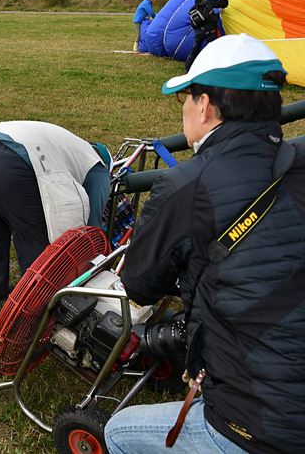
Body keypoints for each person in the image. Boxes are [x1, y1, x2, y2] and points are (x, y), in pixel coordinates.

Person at [104, 34, 305, 453]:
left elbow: (140, 283)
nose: (184, 109)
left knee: (118, 432)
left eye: (186, 98)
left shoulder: (184, 185)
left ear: (206, 106)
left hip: (263, 428)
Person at [0, 121, 112, 312]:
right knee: (33, 238)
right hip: (4, 162)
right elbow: (91, 229)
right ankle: (35, 311)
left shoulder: (66, 143)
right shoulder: (97, 166)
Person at [184, 0, 229, 71]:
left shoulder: (193, 10)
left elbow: (193, 25)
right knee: (214, 49)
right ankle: (213, 67)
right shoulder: (209, 3)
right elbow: (224, 3)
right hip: (210, 31)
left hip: (198, 33)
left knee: (194, 50)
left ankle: (187, 68)